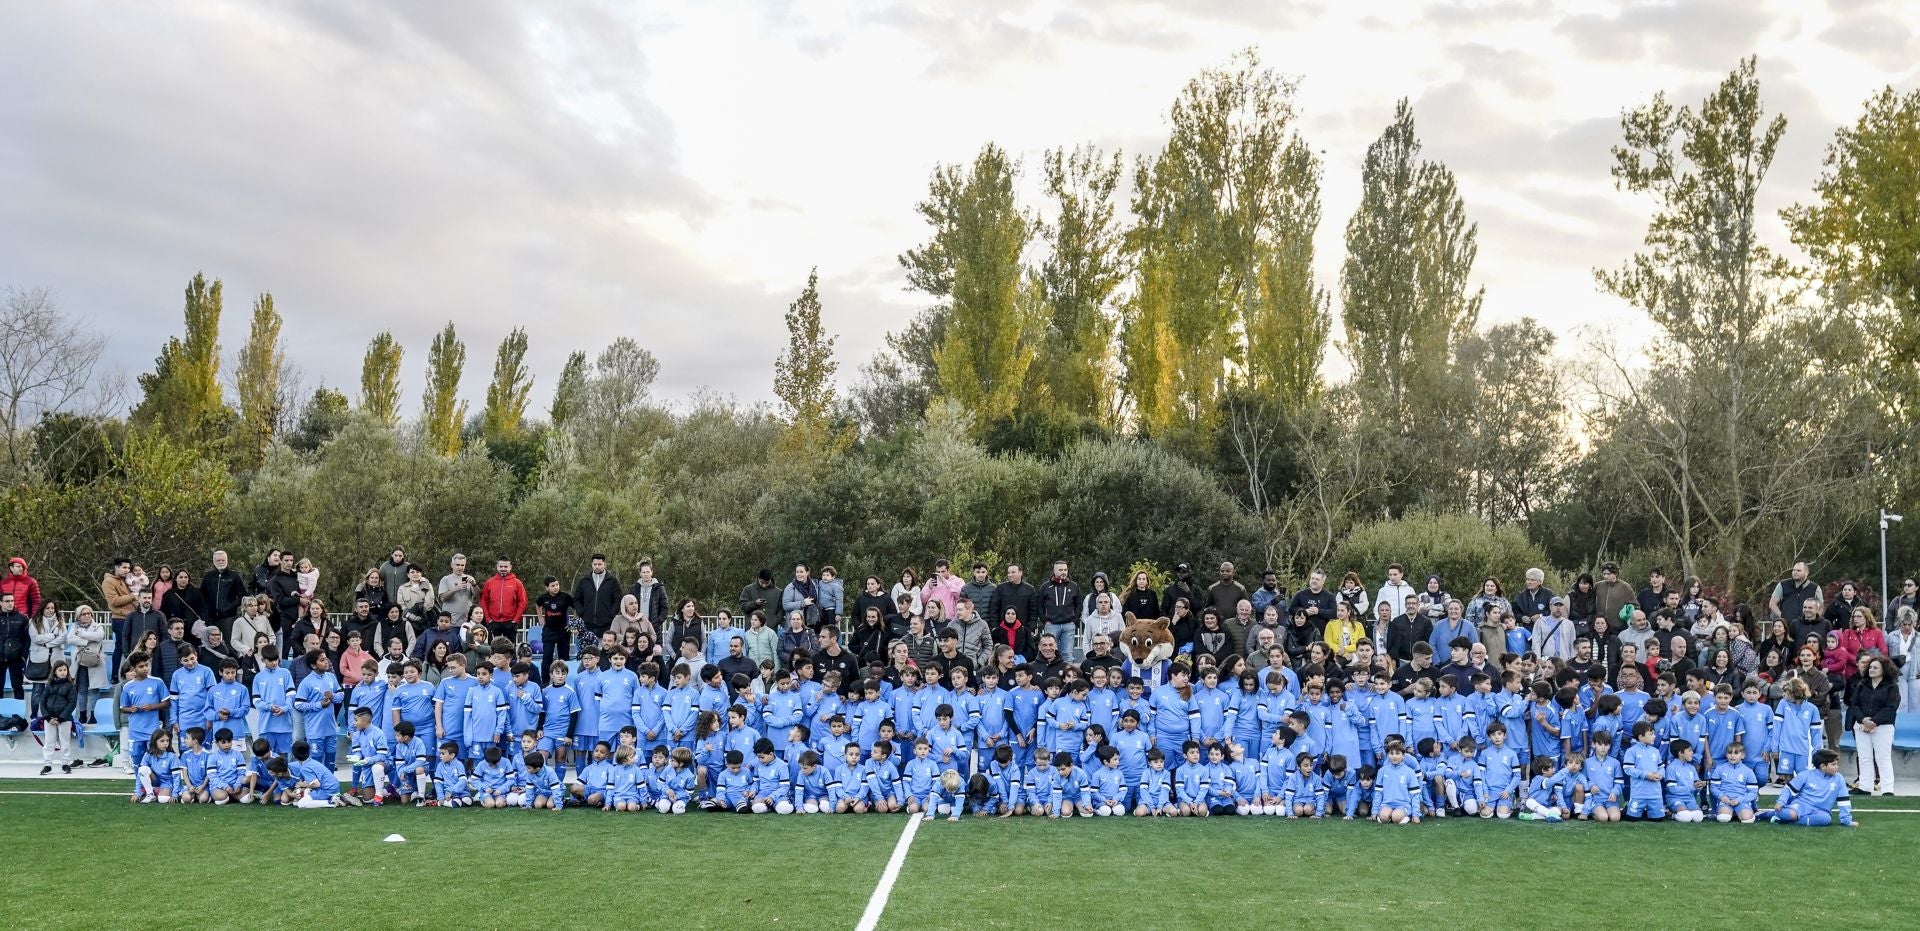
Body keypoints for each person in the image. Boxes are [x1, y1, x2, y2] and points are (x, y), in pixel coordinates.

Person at [1847, 655, 1899, 796]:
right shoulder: (1862, 685)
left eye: (1875, 667)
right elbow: (1855, 704)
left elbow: (1891, 708)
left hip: (1883, 727)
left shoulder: (1892, 687)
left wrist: (1873, 722)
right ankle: (1865, 787)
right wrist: (1863, 720)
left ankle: (1887, 789)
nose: (1871, 669)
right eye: (1870, 667)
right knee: (1864, 757)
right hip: (1862, 726)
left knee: (1883, 758)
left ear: (1884, 670)